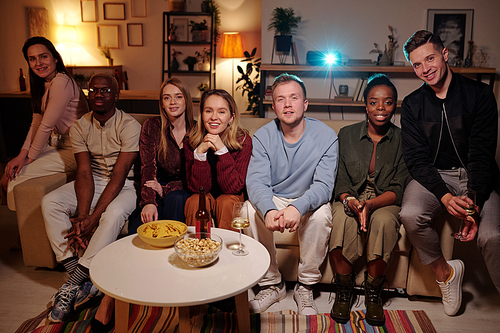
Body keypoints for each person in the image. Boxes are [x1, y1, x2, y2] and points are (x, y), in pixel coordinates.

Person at [400, 30, 500, 316]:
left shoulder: (479, 95)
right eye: (417, 64)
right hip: (435, 177)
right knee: (409, 214)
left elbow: (482, 153)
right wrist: (444, 196)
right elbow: (417, 160)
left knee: (491, 236)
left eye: (429, 59)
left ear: (445, 55)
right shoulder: (411, 105)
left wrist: (474, 203)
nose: (424, 69)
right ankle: (446, 274)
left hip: (476, 176)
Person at [41, 73, 141, 323]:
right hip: (93, 181)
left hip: (126, 184)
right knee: (50, 202)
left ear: (116, 96)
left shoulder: (130, 125)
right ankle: (79, 278)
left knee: (114, 213)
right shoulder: (80, 126)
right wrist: (83, 216)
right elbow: (84, 171)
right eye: (93, 90)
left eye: (105, 91)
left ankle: (72, 284)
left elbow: (119, 175)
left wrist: (94, 218)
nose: (98, 94)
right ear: (88, 94)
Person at [245, 73, 338, 315]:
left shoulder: (327, 136)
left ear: (305, 104)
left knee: (321, 215)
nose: (287, 104)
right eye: (280, 99)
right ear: (273, 106)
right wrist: (269, 209)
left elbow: (324, 185)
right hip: (275, 197)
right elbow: (256, 181)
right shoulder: (263, 136)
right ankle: (272, 284)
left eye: (294, 98)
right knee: (246, 209)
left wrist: (298, 207)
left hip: (309, 198)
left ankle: (305, 287)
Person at [328, 74, 408, 326]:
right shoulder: (346, 135)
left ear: (395, 105)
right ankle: (344, 289)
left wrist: (371, 206)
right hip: (350, 197)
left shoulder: (404, 140)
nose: (381, 108)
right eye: (374, 102)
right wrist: (351, 200)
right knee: (341, 218)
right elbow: (338, 179)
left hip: (385, 200)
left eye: (388, 102)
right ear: (365, 105)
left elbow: (399, 187)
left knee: (384, 222)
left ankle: (373, 293)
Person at [1, 36, 88, 210]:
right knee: (7, 176)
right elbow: (35, 124)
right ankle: (16, 226)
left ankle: (18, 226)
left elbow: (46, 126)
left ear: (55, 58)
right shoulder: (45, 84)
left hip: (77, 149)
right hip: (57, 145)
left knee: (13, 176)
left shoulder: (61, 82)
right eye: (32, 59)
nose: (38, 63)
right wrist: (21, 154)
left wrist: (29, 158)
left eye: (43, 56)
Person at [127, 78, 195, 235]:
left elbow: (196, 176)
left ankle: (171, 249)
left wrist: (165, 189)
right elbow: (148, 168)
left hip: (184, 188)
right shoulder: (151, 126)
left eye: (178, 96)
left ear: (186, 100)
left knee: (176, 199)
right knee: (142, 224)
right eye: (167, 97)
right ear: (162, 103)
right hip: (154, 186)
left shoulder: (197, 130)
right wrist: (149, 202)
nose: (172, 102)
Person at [184, 89, 252, 231]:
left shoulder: (243, 140)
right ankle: (197, 249)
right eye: (208, 111)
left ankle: (228, 251)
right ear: (202, 114)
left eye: (221, 112)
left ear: (231, 117)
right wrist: (200, 155)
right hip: (204, 194)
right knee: (195, 201)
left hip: (230, 196)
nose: (214, 117)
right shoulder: (190, 141)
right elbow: (198, 189)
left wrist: (222, 151)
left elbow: (233, 188)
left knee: (226, 202)